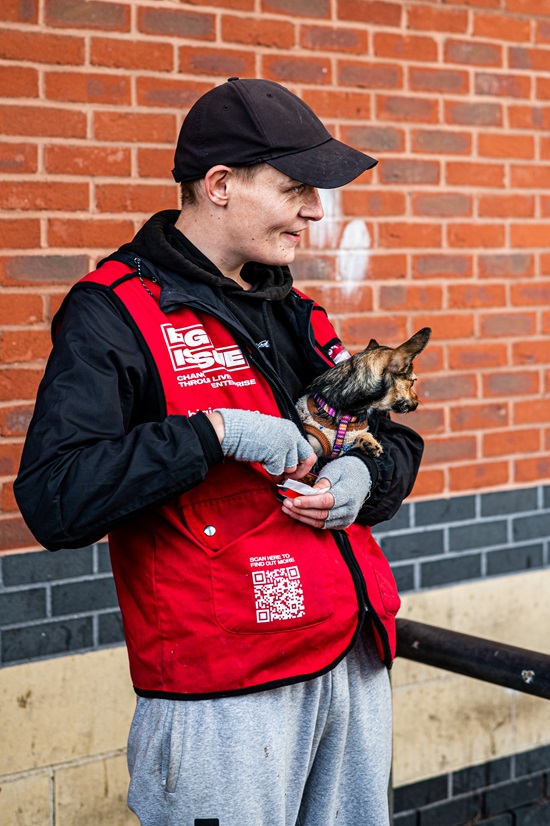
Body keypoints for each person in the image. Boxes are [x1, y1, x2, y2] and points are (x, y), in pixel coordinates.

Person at [15, 77, 423, 826]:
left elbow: (395, 441)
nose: (313, 210)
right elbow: (55, 497)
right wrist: (213, 433)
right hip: (227, 699)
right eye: (296, 187)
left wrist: (361, 472)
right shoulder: (113, 314)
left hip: (351, 662)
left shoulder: (293, 311)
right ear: (221, 184)